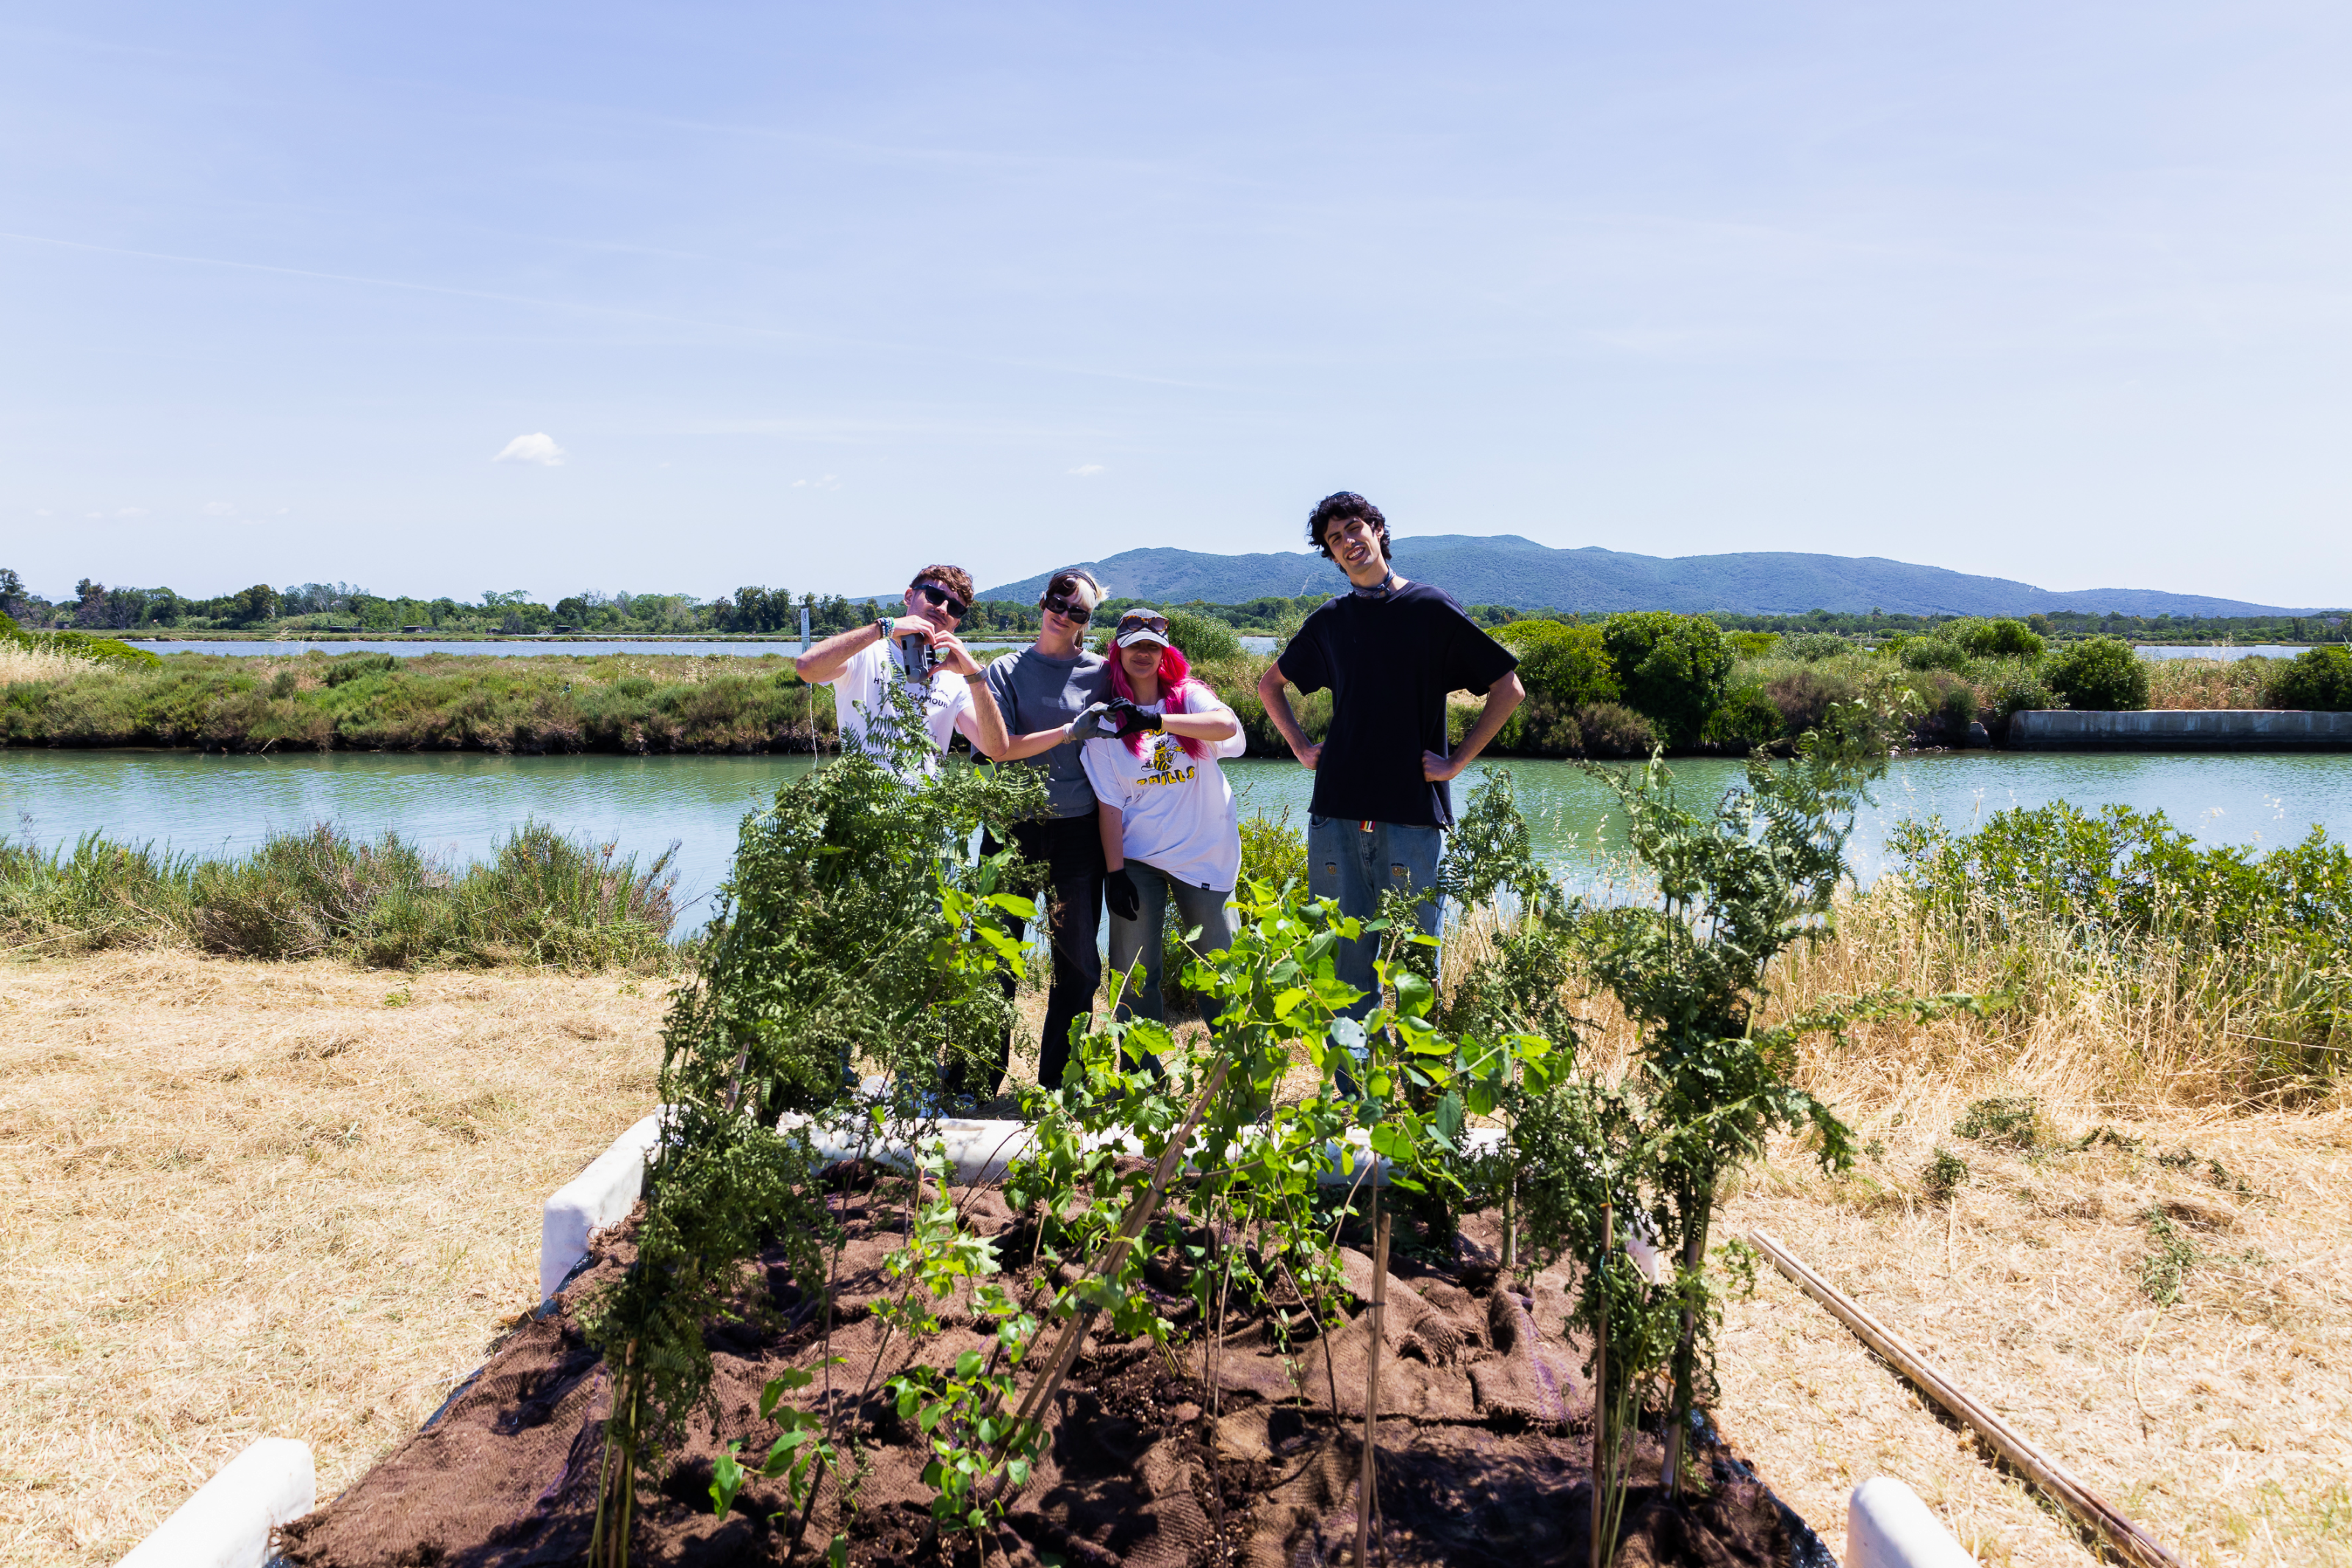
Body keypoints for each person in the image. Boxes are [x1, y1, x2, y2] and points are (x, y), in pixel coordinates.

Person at [1255, 492, 1524, 1051]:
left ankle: (1421, 1104)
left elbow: (1508, 687)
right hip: (1336, 813)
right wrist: (1302, 748)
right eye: (1334, 539)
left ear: (1377, 530)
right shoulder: (1330, 620)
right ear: (1330, 555)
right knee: (1343, 963)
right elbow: (1269, 685)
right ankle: (1355, 1105)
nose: (1348, 542)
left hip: (1410, 813)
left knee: (1418, 959)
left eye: (1354, 529)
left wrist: (1456, 762)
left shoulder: (1428, 608)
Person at [948, 567, 1115, 1098]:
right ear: (1042, 601)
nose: (1063, 615)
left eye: (1078, 612)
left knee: (1079, 966)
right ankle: (971, 1083)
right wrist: (1067, 731)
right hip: (1011, 830)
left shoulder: (1101, 674)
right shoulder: (1005, 670)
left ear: (1089, 621)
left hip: (1078, 835)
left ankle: (1059, 1085)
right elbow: (1001, 745)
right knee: (992, 958)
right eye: (1057, 602)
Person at [1079, 607, 1247, 1062]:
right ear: (1118, 650)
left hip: (1205, 857)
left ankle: (1241, 1078)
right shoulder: (1106, 721)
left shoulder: (1188, 696)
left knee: (1220, 972)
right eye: (1134, 645)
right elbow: (1109, 804)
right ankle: (1142, 1078)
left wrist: (1154, 721)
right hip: (1139, 861)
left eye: (1153, 645)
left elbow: (1227, 728)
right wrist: (1115, 874)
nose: (1144, 654)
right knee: (1134, 975)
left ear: (1165, 652)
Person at [793, 564, 1010, 772]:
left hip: (925, 809)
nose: (943, 609)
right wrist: (881, 629)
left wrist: (975, 676)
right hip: (862, 805)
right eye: (935, 596)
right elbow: (807, 668)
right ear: (909, 596)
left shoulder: (955, 678)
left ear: (956, 624)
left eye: (955, 608)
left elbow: (995, 749)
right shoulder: (865, 652)